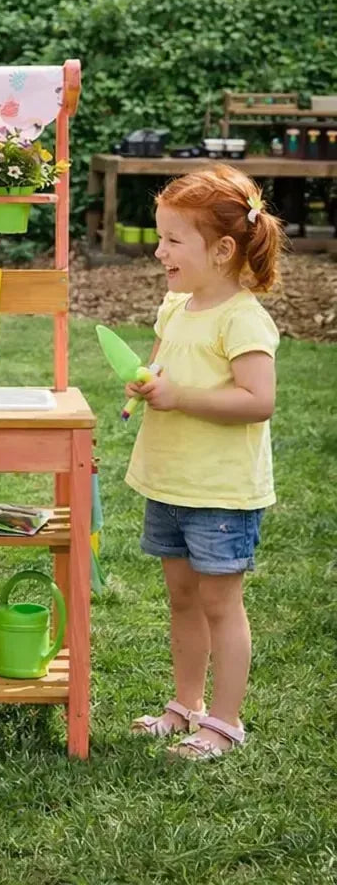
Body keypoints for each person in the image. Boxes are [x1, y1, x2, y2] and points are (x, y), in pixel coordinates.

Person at [125, 164, 283, 760]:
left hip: (219, 492)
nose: (158, 250)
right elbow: (163, 365)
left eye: (171, 240)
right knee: (183, 599)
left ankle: (224, 722)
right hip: (170, 480)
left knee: (221, 604)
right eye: (159, 237)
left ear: (220, 250)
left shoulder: (242, 319)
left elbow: (258, 400)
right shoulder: (176, 305)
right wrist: (146, 383)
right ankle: (186, 704)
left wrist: (177, 397)